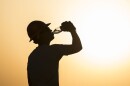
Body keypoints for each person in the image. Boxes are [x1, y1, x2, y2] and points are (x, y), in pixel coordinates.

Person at [27, 20, 82, 86]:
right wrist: (72, 30)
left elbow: (30, 83)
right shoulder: (54, 50)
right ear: (40, 35)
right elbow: (77, 47)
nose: (50, 30)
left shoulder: (32, 56)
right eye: (47, 29)